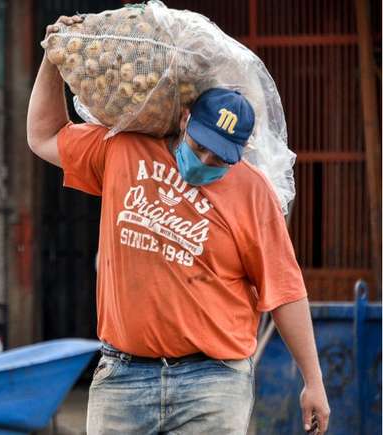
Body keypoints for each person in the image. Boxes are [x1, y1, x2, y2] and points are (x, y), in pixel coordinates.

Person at [26, 16, 331, 435]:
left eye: (221, 158)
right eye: (201, 147)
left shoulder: (253, 192)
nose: (206, 162)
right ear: (185, 119)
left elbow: (285, 290)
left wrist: (313, 381)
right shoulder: (124, 150)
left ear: (241, 152)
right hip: (123, 377)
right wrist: (53, 58)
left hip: (213, 384)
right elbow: (43, 136)